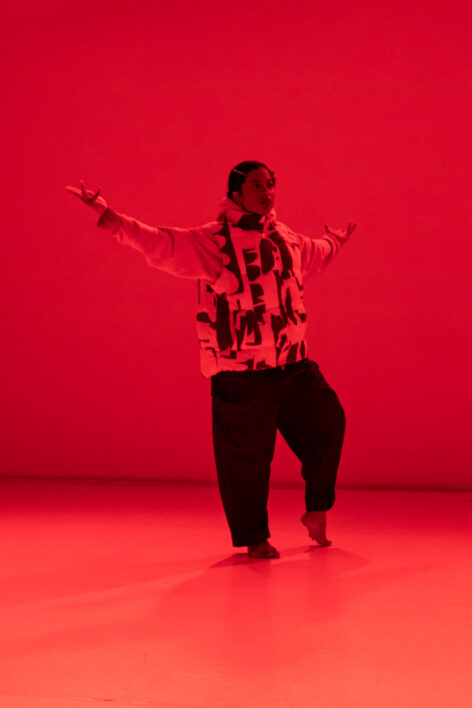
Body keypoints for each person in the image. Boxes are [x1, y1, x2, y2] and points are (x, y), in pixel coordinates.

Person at [66, 161, 356, 559]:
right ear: (236, 194)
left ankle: (317, 508)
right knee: (246, 460)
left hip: (291, 364)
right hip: (241, 372)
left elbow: (315, 254)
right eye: (257, 185)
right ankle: (254, 536)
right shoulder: (214, 242)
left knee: (328, 420)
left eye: (270, 185)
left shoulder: (285, 237)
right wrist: (111, 217)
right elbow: (160, 242)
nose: (267, 192)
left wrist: (336, 241)